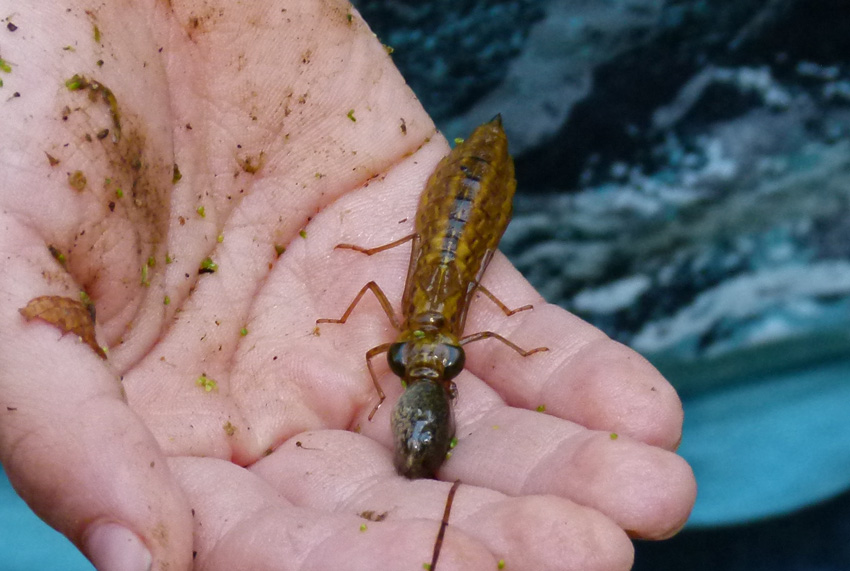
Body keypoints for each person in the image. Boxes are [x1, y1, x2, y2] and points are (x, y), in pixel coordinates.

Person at [0, 1, 696, 569]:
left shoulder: (426, 330)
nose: (422, 357)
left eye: (433, 360)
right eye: (422, 359)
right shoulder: (438, 334)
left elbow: (448, 275)